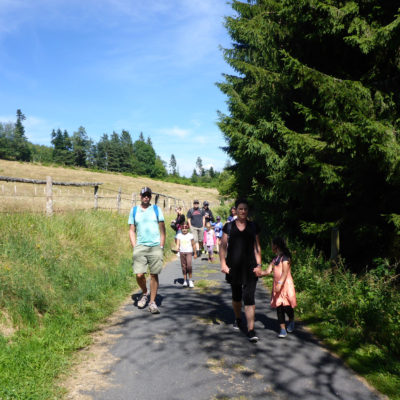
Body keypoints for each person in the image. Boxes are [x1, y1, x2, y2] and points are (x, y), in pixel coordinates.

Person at [219, 199, 262, 342]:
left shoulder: (253, 226)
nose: (243, 211)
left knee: (249, 297)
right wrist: (223, 264)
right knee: (236, 296)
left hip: (250, 267)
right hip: (234, 267)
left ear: (248, 211)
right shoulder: (229, 227)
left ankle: (251, 330)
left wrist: (259, 264)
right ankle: (238, 318)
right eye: (240, 209)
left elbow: (257, 247)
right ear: (236, 210)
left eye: (245, 209)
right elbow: (223, 246)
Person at [128, 187, 166, 314]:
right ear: (140, 196)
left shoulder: (156, 209)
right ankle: (145, 292)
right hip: (140, 246)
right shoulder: (134, 210)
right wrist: (135, 246)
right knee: (139, 274)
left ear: (150, 196)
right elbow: (131, 230)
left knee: (154, 274)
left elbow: (162, 229)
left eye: (148, 195)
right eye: (144, 195)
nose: (146, 197)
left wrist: (161, 245)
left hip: (155, 246)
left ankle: (152, 302)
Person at [256, 237, 297, 338]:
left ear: (277, 245)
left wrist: (279, 283)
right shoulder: (275, 259)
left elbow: (285, 272)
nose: (271, 246)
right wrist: (258, 273)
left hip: (285, 285)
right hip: (277, 285)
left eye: (272, 244)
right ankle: (282, 329)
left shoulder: (285, 257)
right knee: (279, 307)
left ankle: (291, 320)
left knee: (287, 306)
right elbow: (268, 271)